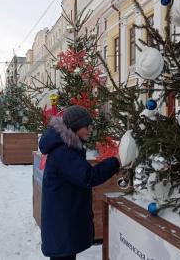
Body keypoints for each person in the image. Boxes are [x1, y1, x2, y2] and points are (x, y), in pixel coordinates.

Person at [38, 105, 121, 260]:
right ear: (75, 126)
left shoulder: (64, 146)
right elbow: (89, 176)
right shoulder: (63, 151)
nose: (90, 130)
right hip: (62, 224)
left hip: (62, 220)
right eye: (87, 126)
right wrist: (116, 161)